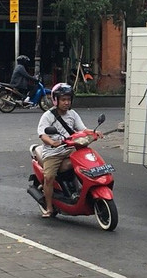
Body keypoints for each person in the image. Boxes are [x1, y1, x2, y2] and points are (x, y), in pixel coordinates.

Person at [36, 83, 100, 218]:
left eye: (68, 99)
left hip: (71, 148)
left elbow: (82, 129)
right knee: (49, 177)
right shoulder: (48, 116)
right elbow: (42, 134)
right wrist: (52, 142)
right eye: (63, 99)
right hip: (53, 153)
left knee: (86, 163)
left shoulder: (72, 114)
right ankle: (49, 207)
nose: (66, 102)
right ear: (56, 100)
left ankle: (81, 191)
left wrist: (94, 133)